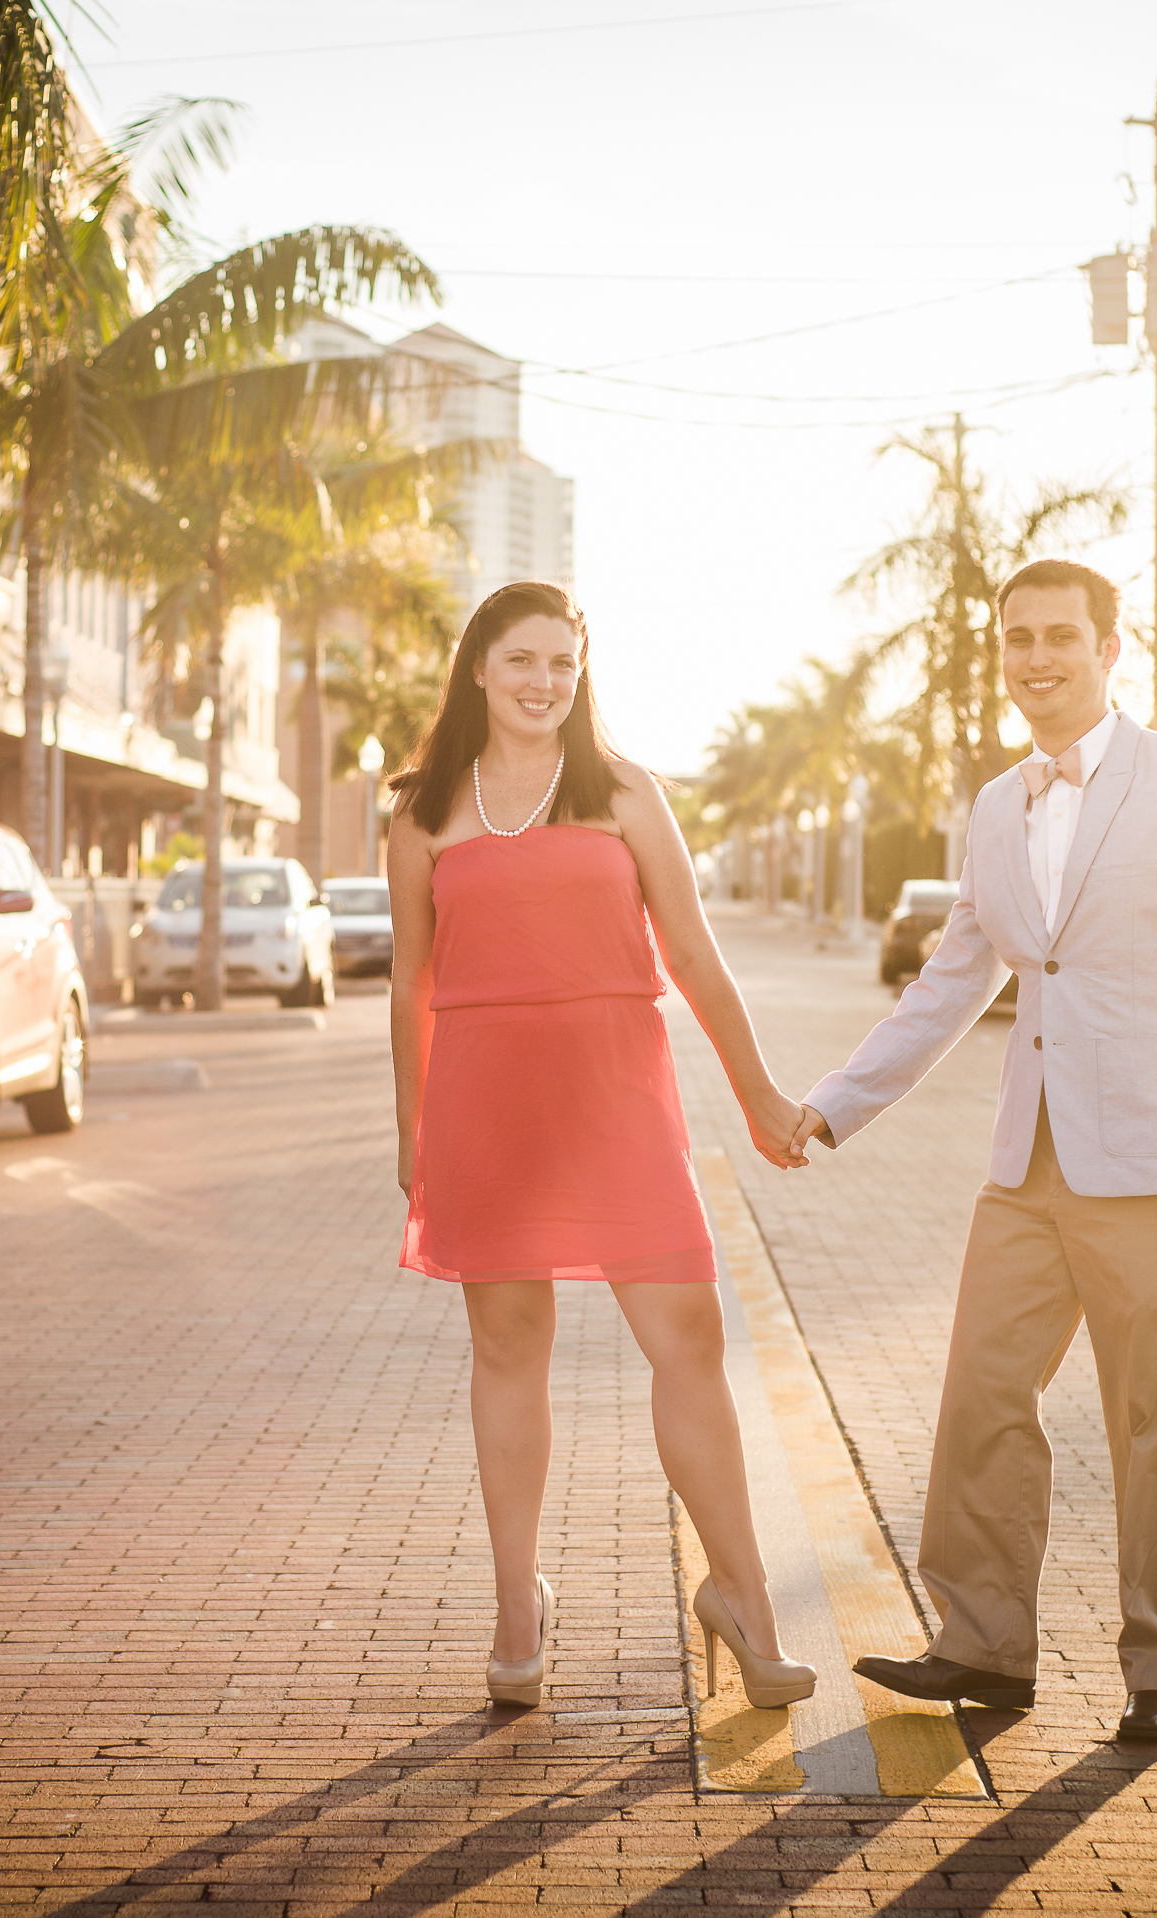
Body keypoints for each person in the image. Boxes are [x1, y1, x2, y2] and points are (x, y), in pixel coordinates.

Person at [789, 558, 1157, 1743]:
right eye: (1016, 640)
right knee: (981, 1391)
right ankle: (983, 1647)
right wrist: (835, 1101)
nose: (1035, 659)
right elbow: (949, 983)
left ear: (1109, 646)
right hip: (1026, 1163)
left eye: (1059, 638)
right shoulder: (993, 805)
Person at [388, 579, 818, 1712]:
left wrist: (760, 1091)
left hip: (615, 1096)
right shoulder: (424, 809)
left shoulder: (624, 792)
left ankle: (744, 1599)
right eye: (522, 661)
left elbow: (692, 952)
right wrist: (411, 1128)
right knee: (509, 1340)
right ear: (477, 665)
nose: (543, 683)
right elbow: (411, 978)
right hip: (487, 1105)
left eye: (563, 666)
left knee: (685, 1327)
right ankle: (516, 1609)